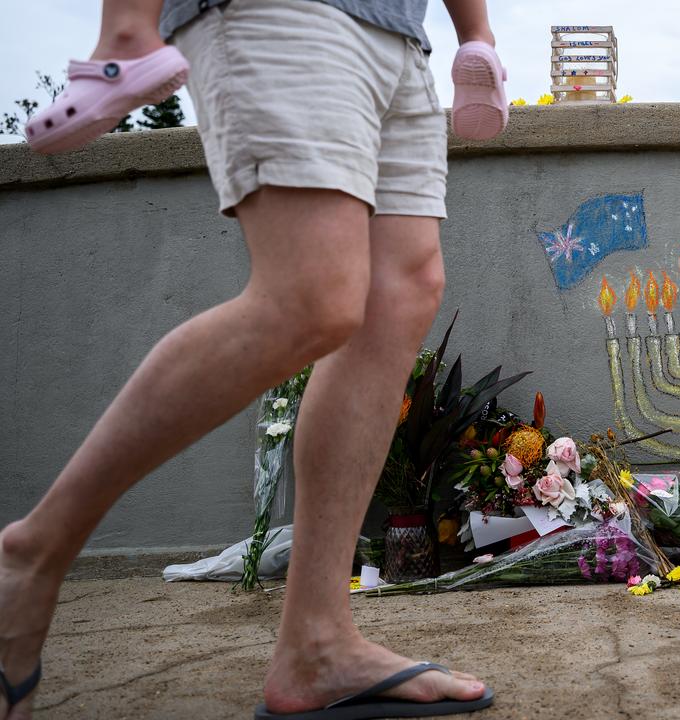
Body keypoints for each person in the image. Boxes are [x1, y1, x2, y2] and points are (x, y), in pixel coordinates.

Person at [2, 0, 508, 717]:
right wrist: (126, 26)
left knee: (399, 297)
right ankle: (29, 556)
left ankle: (318, 644)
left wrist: (474, 34)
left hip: (399, 34)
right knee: (310, 297)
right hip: (281, 12)